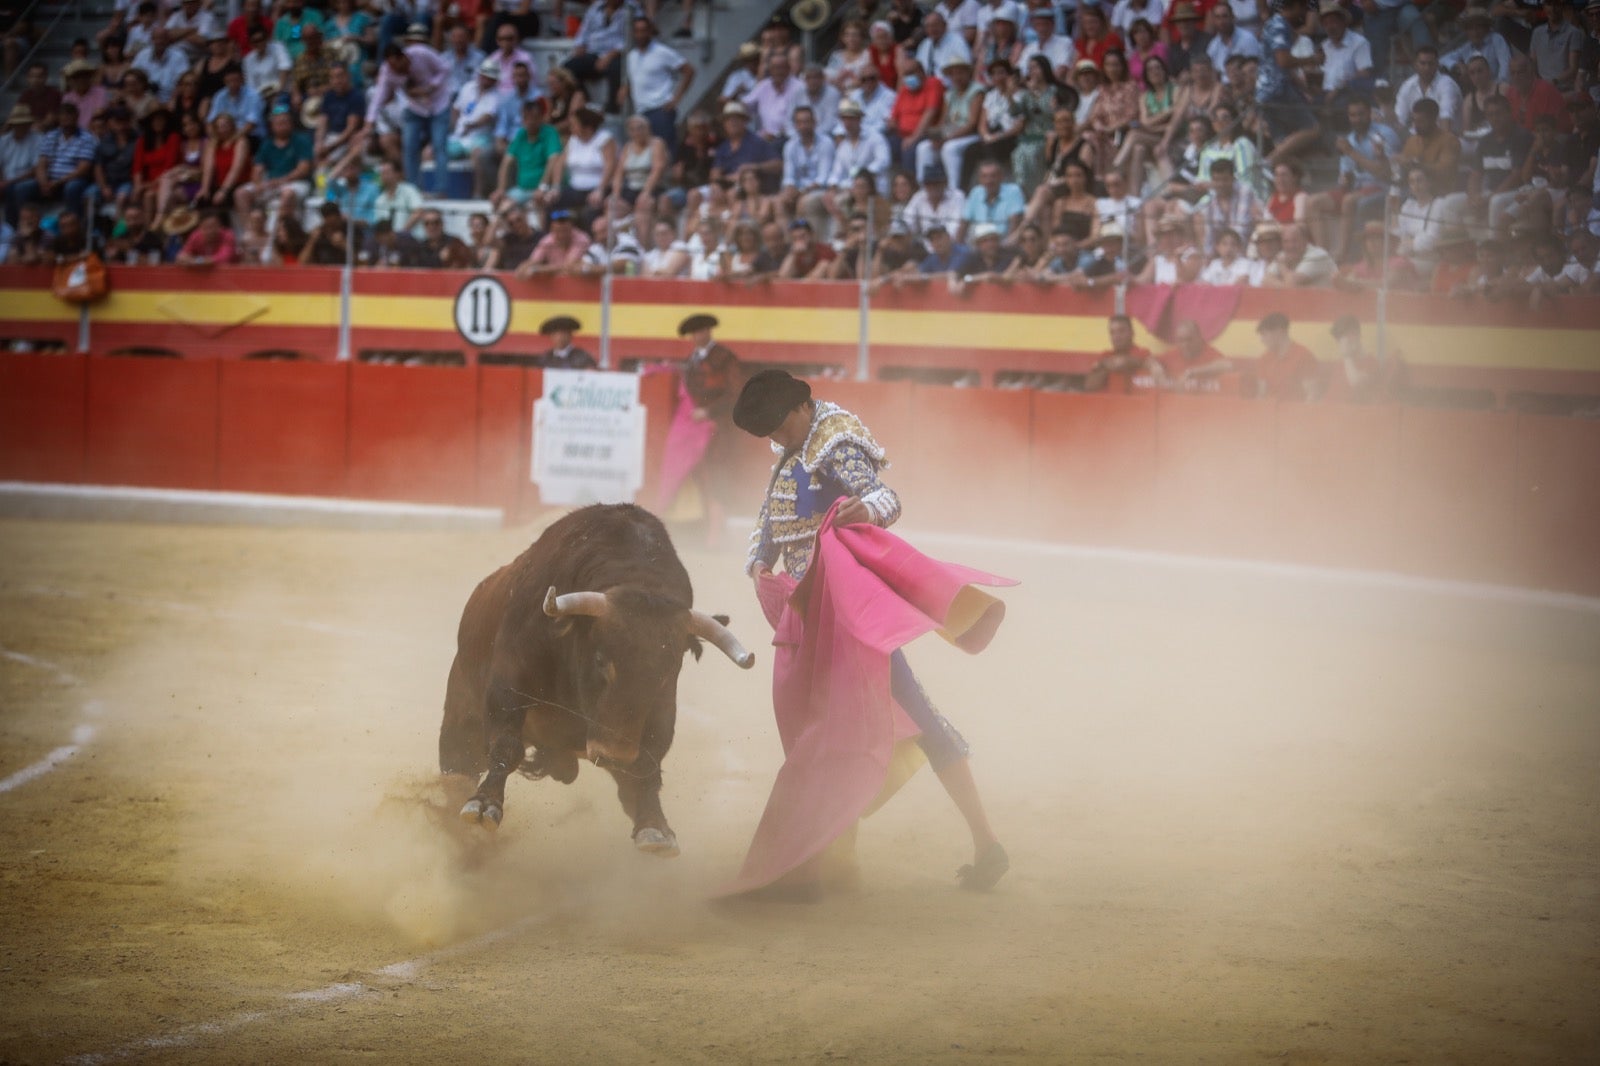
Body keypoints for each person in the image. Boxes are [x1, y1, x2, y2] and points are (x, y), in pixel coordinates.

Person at [723, 368, 1012, 901]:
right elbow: (776, 513)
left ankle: (986, 844)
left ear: (796, 411)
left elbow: (886, 499)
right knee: (828, 728)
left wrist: (867, 508)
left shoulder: (835, 439)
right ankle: (829, 862)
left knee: (917, 719)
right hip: (816, 611)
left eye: (775, 428)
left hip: (850, 614)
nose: (773, 439)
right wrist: (762, 559)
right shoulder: (797, 445)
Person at [655, 313, 743, 547]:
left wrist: (709, 412)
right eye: (694, 332)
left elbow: (735, 394)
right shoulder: (692, 360)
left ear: (708, 331)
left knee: (716, 478)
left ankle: (716, 537)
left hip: (719, 430)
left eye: (701, 330)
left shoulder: (725, 358)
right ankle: (702, 534)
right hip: (695, 432)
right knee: (696, 479)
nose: (698, 335)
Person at [1086, 312, 1169, 392]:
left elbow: (1122, 362)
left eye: (1121, 331)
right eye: (1112, 332)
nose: (1116, 337)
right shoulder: (1105, 355)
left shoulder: (1142, 352)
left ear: (1132, 333)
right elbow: (1090, 386)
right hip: (1110, 404)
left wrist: (1105, 365)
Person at [1251, 310, 1318, 400]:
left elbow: (1312, 395)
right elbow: (1261, 394)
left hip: (1294, 411)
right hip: (1269, 410)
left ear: (1279, 332)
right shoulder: (1264, 359)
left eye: (1264, 334)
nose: (1262, 340)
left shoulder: (1304, 356)